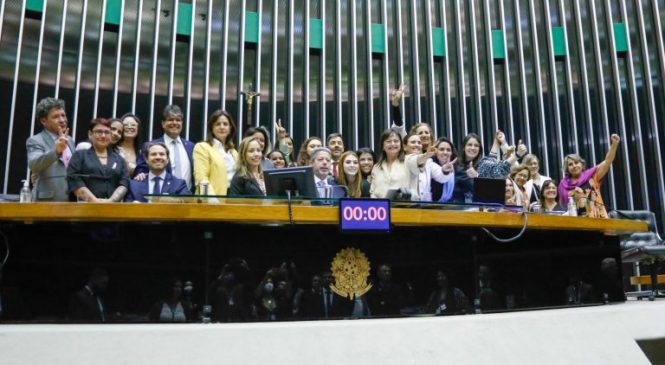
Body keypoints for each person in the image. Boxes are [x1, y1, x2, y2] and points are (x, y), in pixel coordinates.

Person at [558, 134, 621, 218]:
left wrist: (614, 144)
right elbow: (561, 205)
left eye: (576, 163)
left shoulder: (592, 176)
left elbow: (607, 161)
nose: (574, 166)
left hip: (597, 218)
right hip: (574, 221)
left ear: (582, 164)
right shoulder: (563, 184)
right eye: (570, 164)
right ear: (567, 168)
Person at [67, 118, 129, 202]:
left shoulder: (119, 159)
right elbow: (74, 179)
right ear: (90, 134)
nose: (103, 136)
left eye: (107, 132)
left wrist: (111, 201)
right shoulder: (80, 155)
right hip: (85, 208)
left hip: (113, 208)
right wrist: (94, 201)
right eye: (99, 132)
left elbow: (124, 182)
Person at [134, 105, 195, 191]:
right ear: (163, 123)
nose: (174, 123)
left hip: (186, 198)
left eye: (178, 120)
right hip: (161, 197)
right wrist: (140, 174)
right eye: (170, 119)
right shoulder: (151, 146)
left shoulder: (191, 146)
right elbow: (141, 171)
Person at [26, 97, 76, 201]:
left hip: (71, 200)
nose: (62, 120)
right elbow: (34, 164)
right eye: (56, 117)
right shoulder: (35, 140)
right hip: (47, 200)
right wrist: (56, 151)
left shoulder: (70, 140)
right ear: (44, 121)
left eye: (63, 115)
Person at [370, 128, 434, 200]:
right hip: (382, 208)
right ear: (383, 146)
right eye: (388, 141)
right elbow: (373, 192)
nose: (393, 144)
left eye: (396, 141)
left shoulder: (408, 160)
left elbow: (418, 160)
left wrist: (426, 155)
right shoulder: (376, 167)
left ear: (401, 145)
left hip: (405, 208)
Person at [193, 110, 238, 195]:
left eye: (225, 124)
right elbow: (201, 177)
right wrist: (212, 199)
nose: (222, 127)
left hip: (233, 198)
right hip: (213, 199)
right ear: (211, 128)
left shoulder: (234, 152)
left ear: (230, 128)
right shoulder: (202, 147)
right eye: (217, 124)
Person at [124, 142, 189, 202]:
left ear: (167, 159)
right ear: (146, 160)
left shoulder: (179, 184)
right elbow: (125, 209)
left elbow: (187, 204)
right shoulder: (134, 185)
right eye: (153, 154)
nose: (158, 157)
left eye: (162, 154)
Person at [402, 131, 455, 202]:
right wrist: (425, 155)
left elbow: (441, 177)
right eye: (413, 142)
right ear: (405, 147)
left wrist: (445, 170)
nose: (417, 145)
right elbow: (414, 160)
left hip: (425, 207)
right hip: (405, 206)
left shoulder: (428, 162)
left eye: (419, 143)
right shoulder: (400, 162)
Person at [453, 133, 483, 202]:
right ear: (464, 147)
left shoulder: (481, 166)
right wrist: (476, 178)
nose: (473, 148)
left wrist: (476, 176)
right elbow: (474, 187)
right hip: (456, 208)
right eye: (469, 145)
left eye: (476, 146)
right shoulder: (456, 164)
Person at [430, 137, 457, 203]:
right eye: (441, 149)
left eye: (448, 150)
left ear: (452, 153)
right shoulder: (430, 166)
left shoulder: (457, 169)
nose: (445, 152)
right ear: (436, 152)